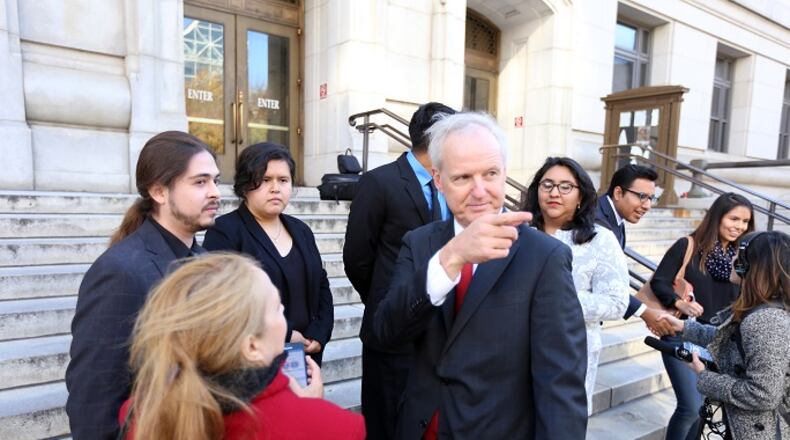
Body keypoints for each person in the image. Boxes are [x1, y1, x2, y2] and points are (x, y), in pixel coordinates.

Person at [373, 112, 588, 439]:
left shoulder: (544, 257)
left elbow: (560, 385)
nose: (479, 191)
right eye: (462, 178)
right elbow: (386, 332)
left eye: (490, 174)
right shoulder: (419, 244)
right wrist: (450, 259)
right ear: (439, 180)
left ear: (504, 173)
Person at [65, 131, 221, 439]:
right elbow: (93, 403)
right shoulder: (119, 271)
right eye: (200, 182)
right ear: (160, 192)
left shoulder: (204, 260)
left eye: (215, 180)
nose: (215, 192)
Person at [118, 253, 366, 440]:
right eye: (277, 308)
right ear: (252, 346)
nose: (284, 313)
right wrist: (309, 409)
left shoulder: (142, 413)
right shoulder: (338, 428)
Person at [343, 102, 455, 439]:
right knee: (385, 422)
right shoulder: (379, 182)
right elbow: (357, 257)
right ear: (437, 139)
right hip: (390, 333)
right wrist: (385, 301)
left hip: (439, 331)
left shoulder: (451, 184)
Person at [203, 143, 333, 364]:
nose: (275, 188)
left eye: (283, 180)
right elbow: (225, 303)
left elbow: (321, 284)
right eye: (265, 180)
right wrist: (288, 333)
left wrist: (320, 333)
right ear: (245, 186)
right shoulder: (225, 231)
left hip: (307, 354)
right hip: (254, 359)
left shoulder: (301, 230)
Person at [658, 231, 790, 440]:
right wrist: (684, 327)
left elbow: (764, 395)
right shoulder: (761, 310)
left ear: (750, 265)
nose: (733, 259)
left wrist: (705, 376)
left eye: (739, 255)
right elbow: (732, 340)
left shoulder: (766, 321)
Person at [523, 156, 629, 414]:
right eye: (546, 185)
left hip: (569, 353)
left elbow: (617, 302)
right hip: (516, 349)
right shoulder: (520, 233)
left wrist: (556, 302)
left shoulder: (599, 239)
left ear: (581, 195)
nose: (554, 193)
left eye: (565, 186)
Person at [651, 192, 755, 439]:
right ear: (718, 217)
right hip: (681, 334)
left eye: (744, 222)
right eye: (733, 219)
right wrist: (679, 303)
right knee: (689, 407)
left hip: (718, 341)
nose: (738, 226)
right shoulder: (689, 246)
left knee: (701, 411)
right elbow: (660, 281)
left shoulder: (742, 258)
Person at [595, 164, 675, 335]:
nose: (647, 206)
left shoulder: (615, 218)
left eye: (651, 198)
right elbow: (603, 282)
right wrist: (644, 312)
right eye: (641, 196)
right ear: (618, 193)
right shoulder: (596, 221)